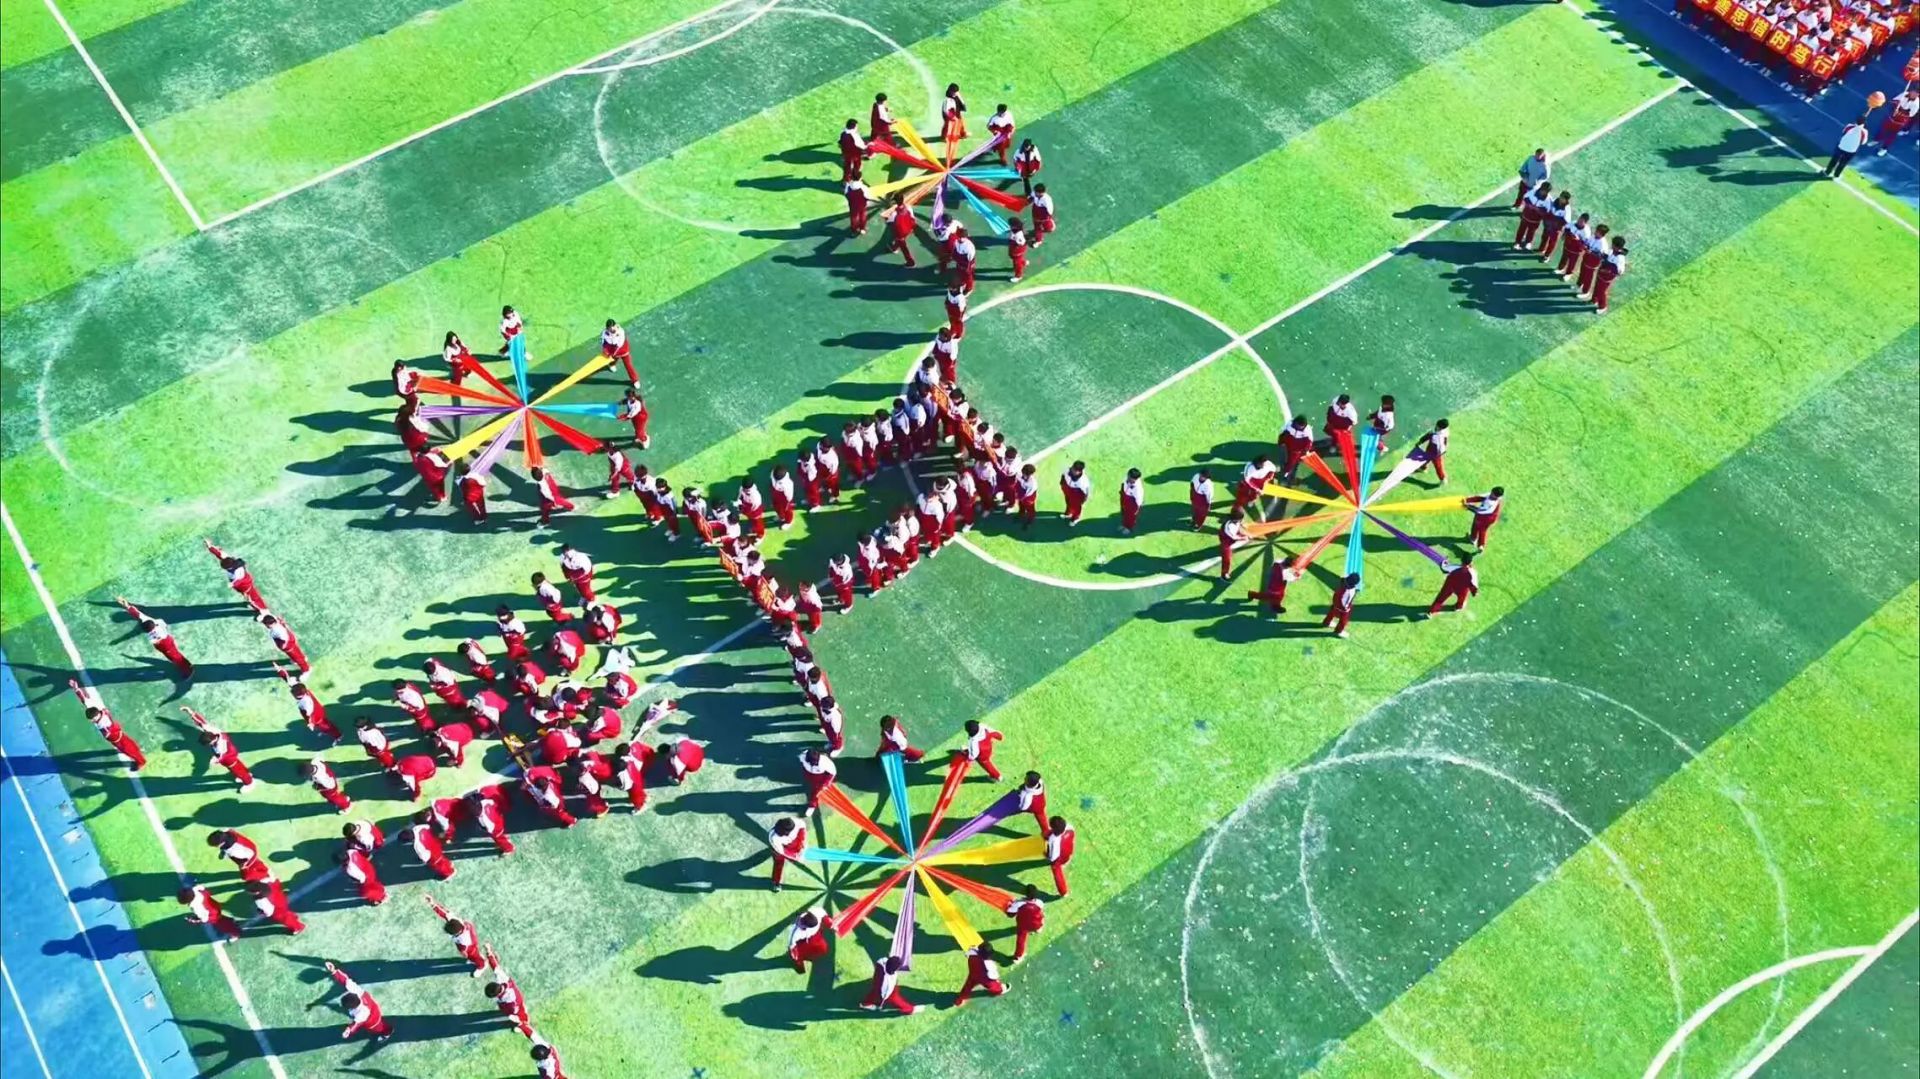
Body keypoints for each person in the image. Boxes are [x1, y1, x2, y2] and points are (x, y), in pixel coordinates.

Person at [117, 599, 193, 677]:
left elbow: (158, 640)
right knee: (172, 657)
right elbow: (137, 614)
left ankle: (188, 669)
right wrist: (126, 605)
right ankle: (181, 665)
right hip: (165, 641)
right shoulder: (149, 620)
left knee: (175, 656)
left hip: (166, 644)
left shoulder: (157, 633)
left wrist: (158, 644)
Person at [328, 963, 391, 1041]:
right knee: (380, 1022)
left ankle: (386, 1033)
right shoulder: (357, 991)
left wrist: (349, 1030)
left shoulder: (361, 1014)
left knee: (378, 1028)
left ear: (353, 1008)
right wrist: (334, 971)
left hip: (373, 1020)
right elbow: (345, 980)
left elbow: (356, 1024)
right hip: (373, 1008)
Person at [429, 895, 488, 977]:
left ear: (456, 933)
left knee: (473, 956)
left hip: (470, 945)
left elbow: (464, 951)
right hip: (468, 934)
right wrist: (433, 904)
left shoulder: (464, 941)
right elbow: (445, 914)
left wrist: (464, 953)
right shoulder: (455, 921)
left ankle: (482, 965)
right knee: (471, 955)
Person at [482, 946, 534, 1037]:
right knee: (506, 1010)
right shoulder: (501, 978)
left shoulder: (511, 1000)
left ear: (496, 994)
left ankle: (524, 1022)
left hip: (516, 1004)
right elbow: (495, 966)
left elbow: (514, 1009)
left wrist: (513, 1016)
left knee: (519, 1013)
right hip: (506, 1003)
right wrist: (488, 951)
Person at [194, 716, 255, 793]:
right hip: (231, 753)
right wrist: (190, 712)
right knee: (238, 765)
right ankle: (247, 774)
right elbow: (202, 723)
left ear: (212, 741)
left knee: (237, 770)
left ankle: (249, 783)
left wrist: (215, 760)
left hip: (229, 758)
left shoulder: (221, 745)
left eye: (208, 744)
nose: (209, 745)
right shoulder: (212, 731)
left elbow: (222, 756)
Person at [204, 540, 267, 611]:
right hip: (238, 584)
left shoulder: (238, 571)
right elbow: (219, 554)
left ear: (229, 567)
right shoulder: (227, 560)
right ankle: (254, 604)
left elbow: (239, 580)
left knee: (252, 597)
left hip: (245, 584)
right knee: (247, 596)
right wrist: (210, 546)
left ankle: (263, 610)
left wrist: (232, 584)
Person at [87, 705, 146, 770]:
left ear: (97, 715)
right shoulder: (103, 713)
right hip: (118, 734)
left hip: (117, 739)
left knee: (128, 750)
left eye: (92, 719)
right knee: (129, 742)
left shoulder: (102, 725)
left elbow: (106, 735)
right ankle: (137, 749)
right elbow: (106, 712)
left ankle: (141, 762)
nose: (91, 721)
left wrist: (105, 734)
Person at [178, 883, 242, 939]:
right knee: (221, 918)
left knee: (222, 925)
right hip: (215, 906)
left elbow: (205, 919)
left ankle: (235, 932)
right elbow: (204, 890)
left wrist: (197, 920)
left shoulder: (196, 907)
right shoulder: (197, 890)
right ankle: (230, 921)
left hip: (213, 915)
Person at [954, 941, 1006, 1005]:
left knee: (968, 986)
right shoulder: (988, 964)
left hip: (973, 973)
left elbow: (969, 952)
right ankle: (999, 991)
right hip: (984, 978)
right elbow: (993, 976)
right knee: (993, 985)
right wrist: (996, 980)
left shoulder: (972, 953)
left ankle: (960, 999)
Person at [408, 812, 455, 878]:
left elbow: (423, 853)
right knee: (439, 859)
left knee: (437, 863)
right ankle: (447, 869)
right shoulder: (425, 828)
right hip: (435, 848)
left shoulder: (420, 835)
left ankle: (447, 872)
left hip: (433, 854)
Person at [1589, 234, 1627, 314]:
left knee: (1602, 291)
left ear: (1618, 247)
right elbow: (1604, 257)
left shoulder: (1620, 258)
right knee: (1597, 286)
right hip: (1601, 273)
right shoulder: (1610, 251)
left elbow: (1620, 271)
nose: (1611, 245)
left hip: (1607, 278)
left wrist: (1608, 270)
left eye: (1613, 245)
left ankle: (1602, 306)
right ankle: (1594, 300)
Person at [1006, 884, 1045, 961]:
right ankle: (1038, 929)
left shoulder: (1018, 903)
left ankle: (1018, 956)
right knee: (1042, 916)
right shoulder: (1040, 902)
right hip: (1036, 923)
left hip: (1023, 925)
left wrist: (1011, 904)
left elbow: (1010, 912)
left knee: (1021, 940)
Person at [788, 907, 832, 974]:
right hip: (803, 942)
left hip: (816, 935)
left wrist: (830, 924)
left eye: (802, 924)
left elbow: (825, 917)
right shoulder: (794, 934)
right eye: (801, 920)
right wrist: (798, 962)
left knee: (823, 948)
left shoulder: (817, 911)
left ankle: (810, 957)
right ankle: (800, 965)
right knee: (800, 955)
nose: (799, 924)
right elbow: (792, 947)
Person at [768, 816, 806, 891]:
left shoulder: (798, 823)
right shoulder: (774, 838)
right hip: (780, 848)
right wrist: (796, 857)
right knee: (779, 862)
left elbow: (802, 830)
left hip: (792, 842)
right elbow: (783, 852)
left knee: (799, 847)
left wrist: (802, 845)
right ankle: (777, 882)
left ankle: (798, 851)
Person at [1877, 88, 1918, 154]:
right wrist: (1896, 103)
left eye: (1915, 93)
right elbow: (1893, 100)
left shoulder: (1916, 104)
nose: (1913, 94)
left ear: (1917, 95)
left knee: (1892, 134)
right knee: (1884, 128)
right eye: (1912, 92)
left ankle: (1884, 148)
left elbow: (1911, 114)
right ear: (1910, 91)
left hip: (1900, 121)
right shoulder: (1904, 94)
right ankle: (1877, 139)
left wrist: (1901, 111)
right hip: (1892, 116)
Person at [1410, 419, 1450, 484]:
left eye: (1437, 426)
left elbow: (1427, 436)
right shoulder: (1445, 431)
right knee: (1426, 458)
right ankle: (1423, 468)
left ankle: (1443, 479)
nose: (1436, 426)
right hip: (1433, 447)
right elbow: (1445, 442)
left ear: (1440, 427)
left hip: (1436, 452)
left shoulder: (1436, 436)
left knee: (1438, 466)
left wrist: (1419, 442)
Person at [1513, 181, 1551, 248]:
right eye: (1543, 189)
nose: (1543, 192)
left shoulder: (1548, 200)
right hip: (1526, 215)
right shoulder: (1533, 191)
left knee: (1531, 231)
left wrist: (1538, 210)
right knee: (1521, 229)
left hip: (1535, 220)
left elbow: (1547, 211)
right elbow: (1525, 197)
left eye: (1545, 191)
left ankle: (1528, 242)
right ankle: (1517, 242)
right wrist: (1530, 205)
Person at [1464, 486, 1503, 550]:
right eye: (1491, 492)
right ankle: (1474, 539)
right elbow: (1479, 498)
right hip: (1488, 516)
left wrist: (1468, 507)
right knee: (1478, 527)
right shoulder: (1492, 496)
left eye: (1492, 494)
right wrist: (1467, 500)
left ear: (1496, 496)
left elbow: (1479, 511)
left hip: (1486, 518)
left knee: (1481, 529)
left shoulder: (1491, 503)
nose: (1490, 494)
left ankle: (1479, 544)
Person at [1538, 190, 1573, 261]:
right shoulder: (1554, 201)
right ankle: (1541, 249)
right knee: (1544, 236)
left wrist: (1557, 224)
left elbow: (1566, 221)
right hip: (1549, 224)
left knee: (1552, 242)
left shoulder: (1567, 209)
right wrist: (1546, 220)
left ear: (1566, 200)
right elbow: (1548, 210)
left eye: (1563, 198)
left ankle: (1547, 256)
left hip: (1556, 228)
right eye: (1561, 196)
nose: (1561, 198)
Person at [1278, 416, 1314, 485]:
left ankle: (1286, 474)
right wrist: (1281, 442)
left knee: (1291, 463)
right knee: (1284, 457)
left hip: (1296, 450)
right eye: (1298, 425)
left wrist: (1306, 450)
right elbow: (1282, 433)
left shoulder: (1307, 430)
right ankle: (1286, 470)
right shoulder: (1289, 424)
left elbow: (1309, 442)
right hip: (1287, 444)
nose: (1299, 427)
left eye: (1301, 426)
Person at [883, 196, 918, 266]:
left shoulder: (894, 213)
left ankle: (911, 262)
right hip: (908, 229)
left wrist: (886, 218)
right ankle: (894, 248)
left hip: (900, 233)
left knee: (904, 248)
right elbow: (912, 218)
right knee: (900, 241)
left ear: (895, 202)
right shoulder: (908, 208)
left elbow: (889, 221)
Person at [1046, 815, 1076, 896]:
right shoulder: (1070, 827)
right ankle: (1063, 892)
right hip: (1068, 852)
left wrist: (1048, 856)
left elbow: (1052, 858)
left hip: (1061, 858)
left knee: (1056, 870)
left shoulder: (1053, 840)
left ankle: (1063, 891)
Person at [601, 319, 637, 385]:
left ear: (615, 325)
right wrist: (605, 350)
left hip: (623, 350)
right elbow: (604, 342)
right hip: (612, 349)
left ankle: (635, 381)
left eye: (612, 327)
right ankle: (612, 365)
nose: (611, 329)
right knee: (613, 359)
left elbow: (619, 345)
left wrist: (613, 354)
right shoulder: (605, 332)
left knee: (628, 365)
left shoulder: (621, 332)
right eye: (609, 328)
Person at [1323, 572, 1359, 638]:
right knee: (1343, 621)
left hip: (1335, 602)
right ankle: (1338, 631)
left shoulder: (1343, 582)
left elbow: (1343, 578)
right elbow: (1345, 601)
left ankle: (1326, 622)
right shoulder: (1350, 592)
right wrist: (1346, 608)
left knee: (1331, 612)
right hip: (1342, 608)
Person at [1218, 510, 1249, 579]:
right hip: (1226, 540)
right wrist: (1243, 538)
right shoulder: (1230, 526)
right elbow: (1234, 537)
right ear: (1236, 519)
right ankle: (1224, 574)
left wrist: (1242, 525)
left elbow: (1239, 526)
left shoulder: (1235, 521)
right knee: (1227, 558)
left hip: (1229, 536)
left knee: (1240, 533)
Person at [1059, 461, 1091, 525]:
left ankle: (1075, 518)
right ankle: (1068, 514)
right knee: (1068, 502)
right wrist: (1062, 483)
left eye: (1075, 470)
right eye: (1073, 468)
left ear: (1079, 471)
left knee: (1076, 508)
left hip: (1077, 495)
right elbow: (1063, 475)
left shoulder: (1083, 481)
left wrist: (1083, 501)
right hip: (1068, 490)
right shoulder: (1067, 470)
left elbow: (1086, 493)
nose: (1073, 470)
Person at [1117, 467, 1145, 534]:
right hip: (1125, 495)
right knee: (1124, 511)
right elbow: (1123, 484)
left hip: (1132, 501)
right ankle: (1124, 524)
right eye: (1128, 476)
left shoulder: (1138, 488)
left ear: (1135, 479)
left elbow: (1139, 499)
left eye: (1130, 477)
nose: (1128, 478)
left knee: (1130, 515)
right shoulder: (1127, 478)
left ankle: (1129, 527)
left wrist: (1137, 508)